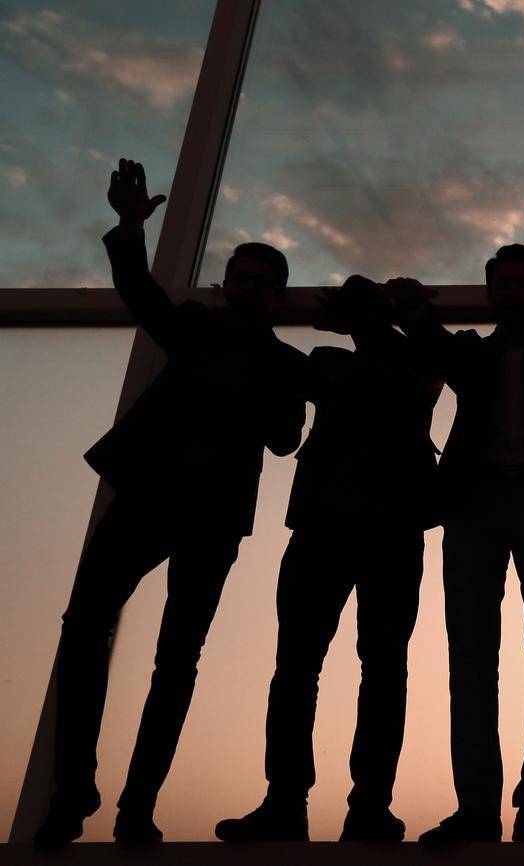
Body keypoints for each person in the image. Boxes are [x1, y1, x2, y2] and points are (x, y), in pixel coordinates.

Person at [34, 160, 306, 847]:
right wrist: (129, 225)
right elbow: (139, 292)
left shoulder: (281, 364)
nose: (244, 290)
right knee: (87, 626)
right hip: (150, 498)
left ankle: (135, 807)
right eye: (237, 279)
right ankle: (75, 792)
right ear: (227, 286)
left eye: (258, 284)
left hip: (211, 519)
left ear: (276, 297)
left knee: (176, 657)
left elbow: (283, 439)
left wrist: (259, 385)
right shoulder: (194, 326)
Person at [388, 245, 524, 844]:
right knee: (471, 655)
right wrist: (411, 308)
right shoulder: (469, 353)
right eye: (504, 284)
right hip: (475, 507)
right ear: (491, 292)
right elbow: (429, 343)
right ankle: (479, 807)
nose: (513, 293)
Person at [214, 276, 443, 844]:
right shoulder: (338, 362)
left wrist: (365, 324)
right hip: (344, 526)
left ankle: (328, 803)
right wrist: (369, 323)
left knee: (343, 668)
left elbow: (410, 375)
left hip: (360, 527)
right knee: (321, 667)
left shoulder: (403, 360)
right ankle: (314, 803)